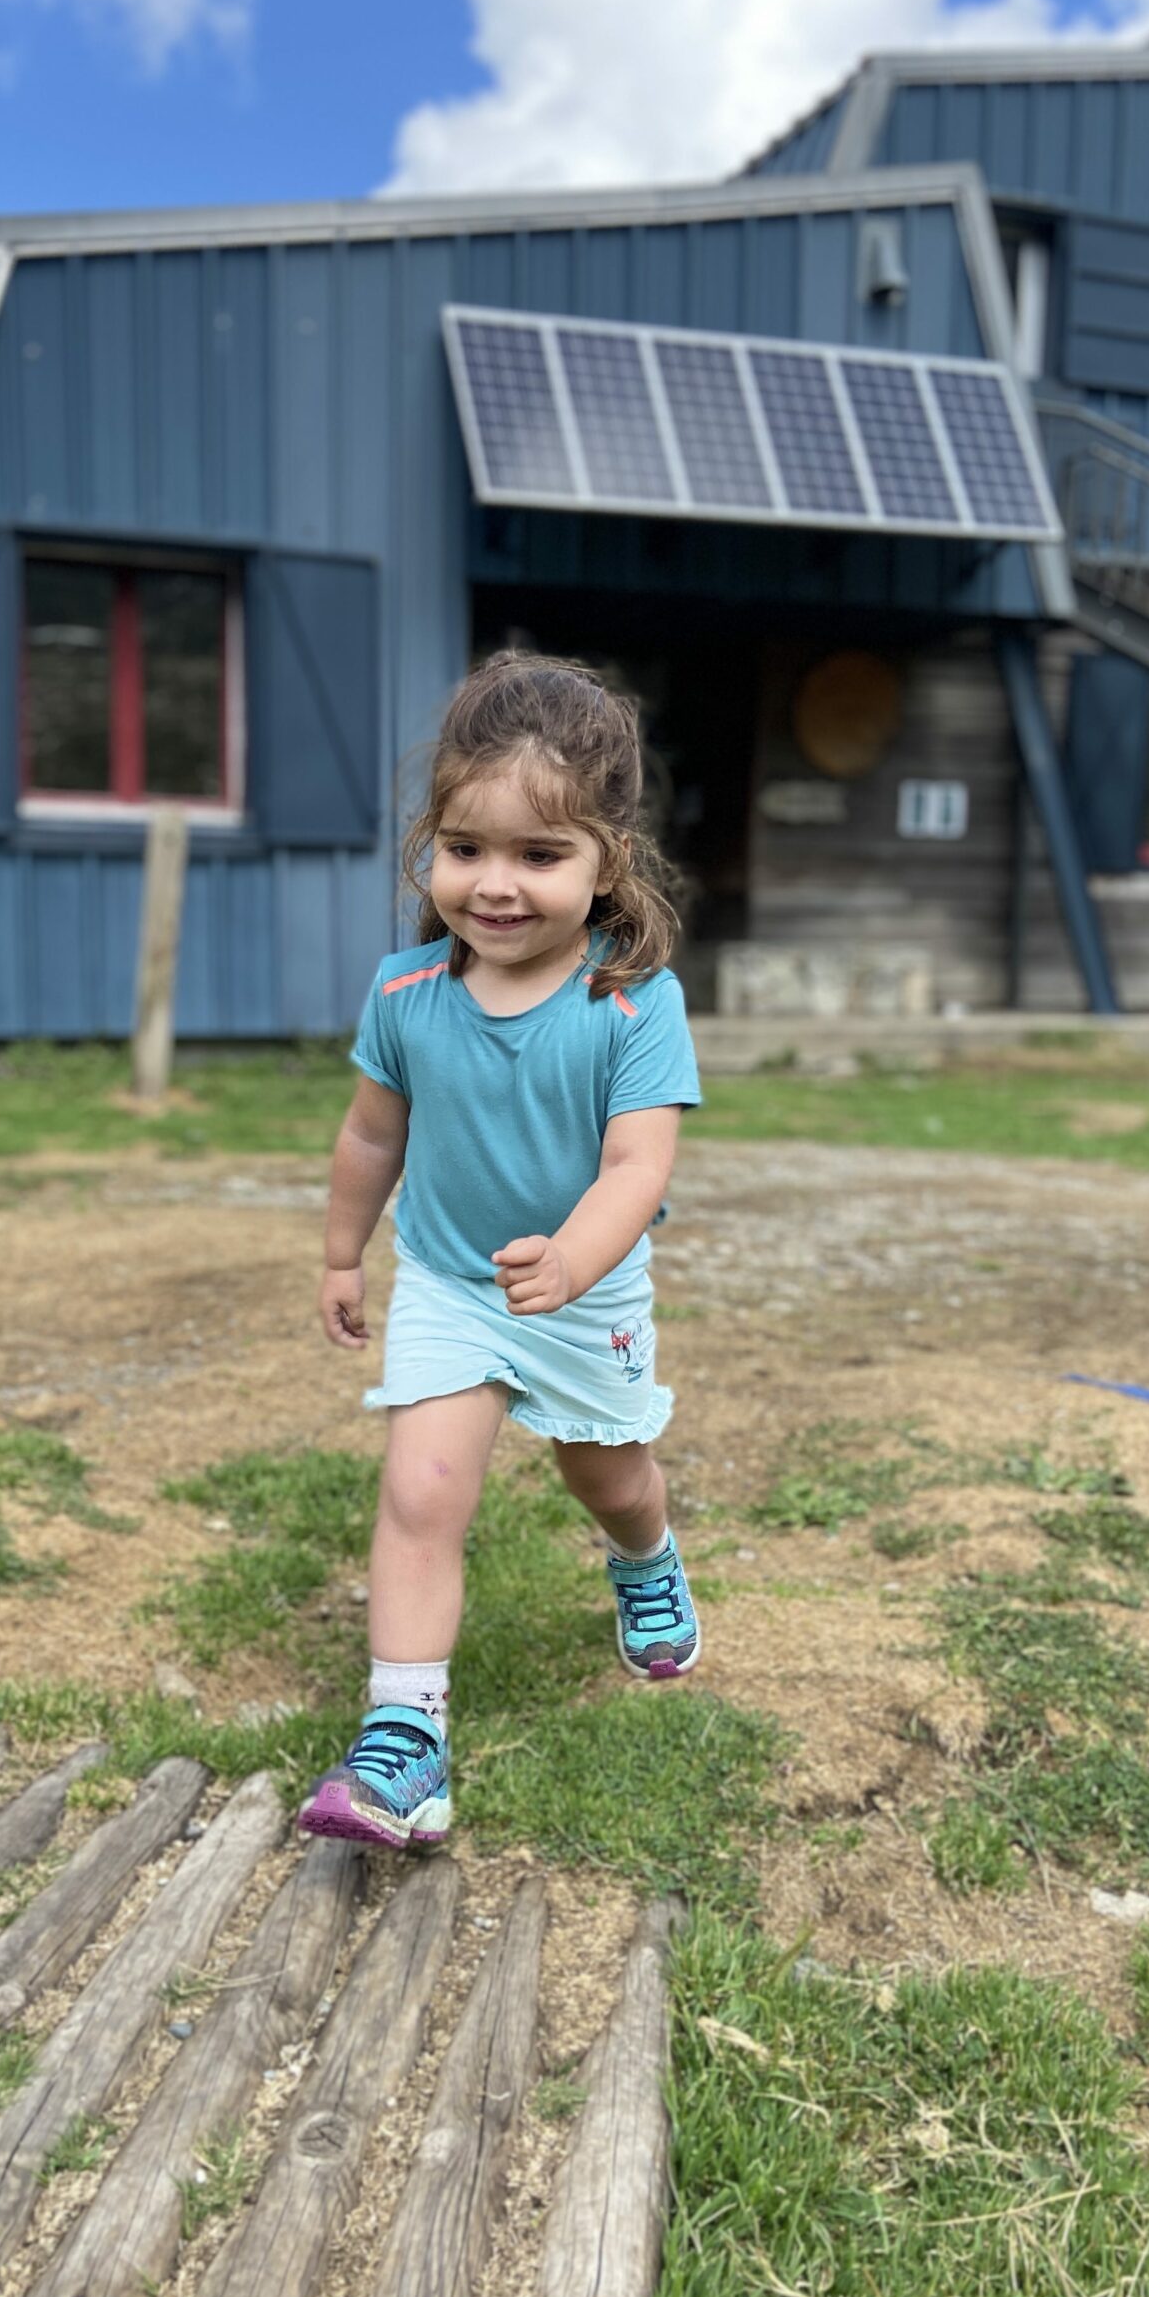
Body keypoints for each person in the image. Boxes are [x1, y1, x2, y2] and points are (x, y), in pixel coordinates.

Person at [298, 651, 703, 1853]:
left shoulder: (632, 1001)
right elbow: (373, 1134)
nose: (497, 884)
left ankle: (646, 1558)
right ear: (431, 844)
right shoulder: (407, 990)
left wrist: (575, 1262)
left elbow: (638, 1166)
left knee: (608, 1475)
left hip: (583, 1297)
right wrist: (339, 1255)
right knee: (422, 1490)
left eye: (541, 855)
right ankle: (405, 1743)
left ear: (606, 861)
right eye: (467, 847)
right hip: (450, 1282)